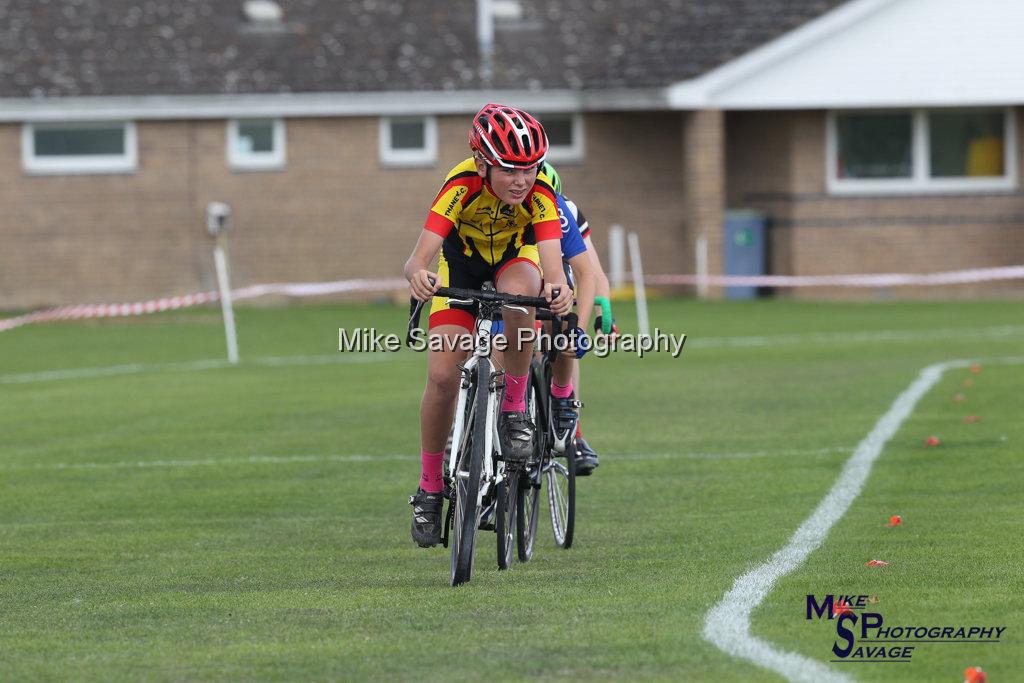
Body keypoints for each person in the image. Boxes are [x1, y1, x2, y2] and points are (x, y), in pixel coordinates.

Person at [404, 104, 572, 548]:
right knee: (442, 376)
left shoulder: (540, 195)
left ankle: (515, 409)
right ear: (482, 163)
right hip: (461, 270)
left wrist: (558, 289)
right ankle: (430, 487)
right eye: (509, 170)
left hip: (515, 262)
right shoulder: (460, 186)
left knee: (523, 297)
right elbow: (418, 257)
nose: (522, 180)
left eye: (531, 169)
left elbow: (553, 268)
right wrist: (420, 275)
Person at [540, 162, 617, 475]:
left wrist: (605, 314)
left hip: (559, 283)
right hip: (520, 279)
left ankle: (574, 431)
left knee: (568, 339)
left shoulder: (567, 210)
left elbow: (593, 271)